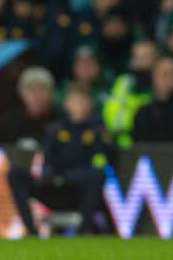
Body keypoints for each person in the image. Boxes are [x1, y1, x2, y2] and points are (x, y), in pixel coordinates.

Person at [7, 83, 110, 235]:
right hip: (54, 187)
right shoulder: (56, 129)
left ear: (90, 104)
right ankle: (30, 229)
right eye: (74, 101)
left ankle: (83, 231)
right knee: (15, 173)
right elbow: (47, 158)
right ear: (67, 103)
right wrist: (48, 173)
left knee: (97, 175)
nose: (77, 105)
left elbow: (102, 160)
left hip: (78, 190)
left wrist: (68, 177)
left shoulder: (97, 130)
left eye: (81, 101)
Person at [0, 66, 58, 149]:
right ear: (21, 92)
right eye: (31, 89)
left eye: (41, 89)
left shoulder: (62, 122)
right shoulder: (6, 123)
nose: (36, 95)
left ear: (51, 92)